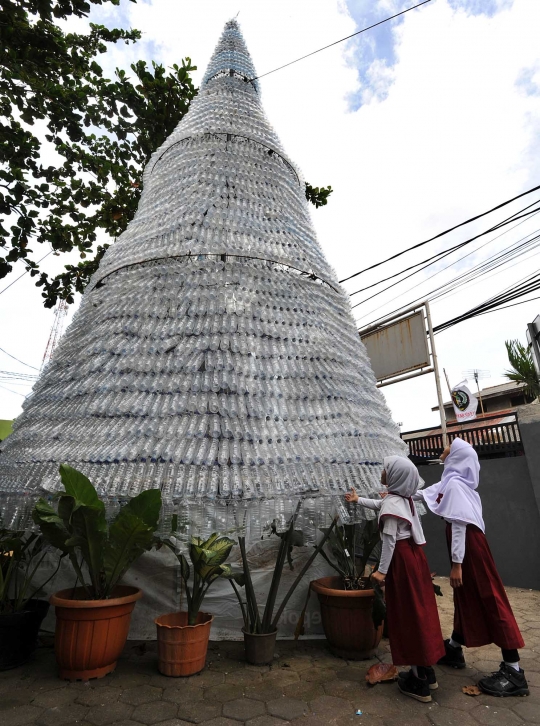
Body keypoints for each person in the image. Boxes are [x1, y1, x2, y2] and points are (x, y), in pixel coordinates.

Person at [417, 437, 528, 697]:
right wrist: (394, 492)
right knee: (466, 596)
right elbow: (425, 493)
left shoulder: (455, 485)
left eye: (448, 446)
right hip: (469, 547)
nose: (443, 448)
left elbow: (458, 524)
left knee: (491, 597)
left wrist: (457, 564)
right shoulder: (455, 482)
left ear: (456, 455)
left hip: (469, 548)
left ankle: (514, 670)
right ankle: (455, 647)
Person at [346, 456, 445, 703]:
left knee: (406, 615)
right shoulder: (403, 500)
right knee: (420, 612)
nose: (383, 471)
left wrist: (382, 571)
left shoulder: (393, 505)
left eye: (386, 469)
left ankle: (417, 681)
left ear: (395, 477)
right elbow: (382, 505)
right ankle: (427, 672)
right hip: (415, 557)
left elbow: (389, 541)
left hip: (401, 560)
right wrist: (359, 501)